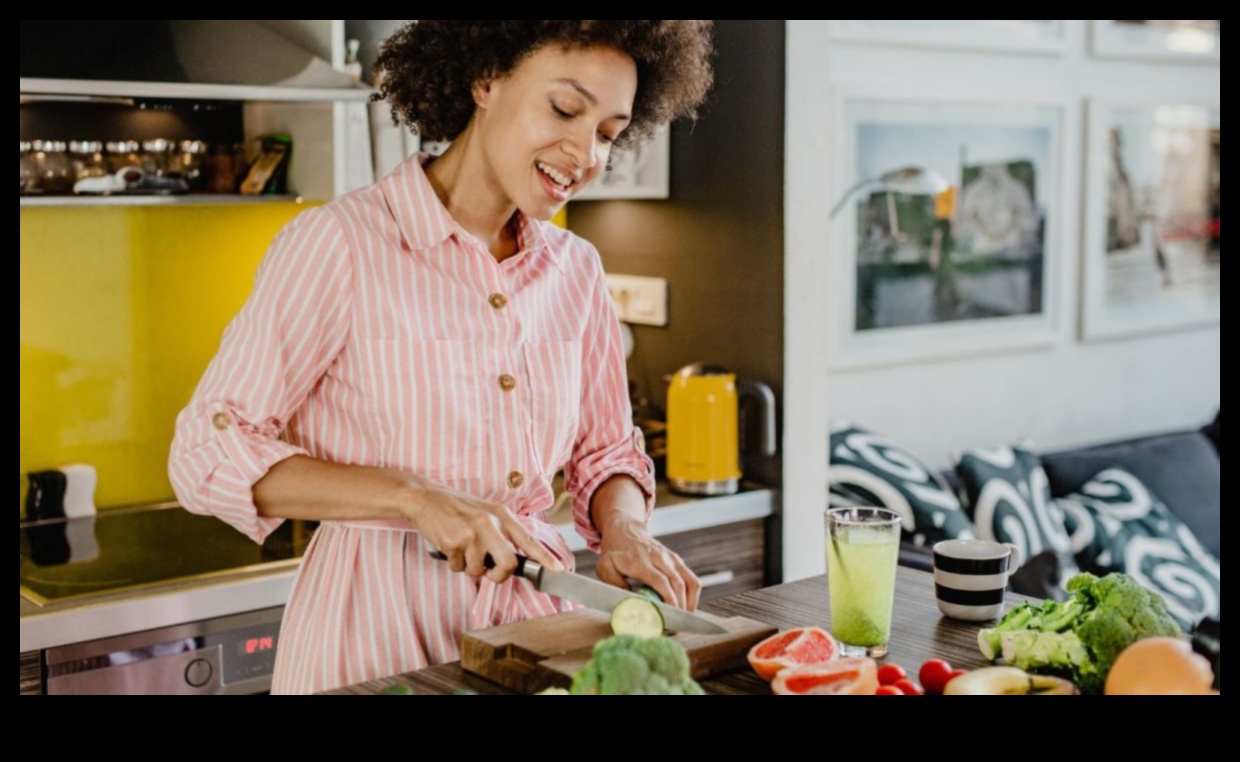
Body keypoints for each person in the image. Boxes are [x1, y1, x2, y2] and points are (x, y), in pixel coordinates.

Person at [168, 20, 715, 694]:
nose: (586, 154)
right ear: (484, 79)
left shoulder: (577, 270)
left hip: (534, 631)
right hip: (374, 631)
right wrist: (414, 497)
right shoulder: (340, 244)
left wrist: (625, 527)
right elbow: (204, 453)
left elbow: (605, 452)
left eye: (606, 132)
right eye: (565, 109)